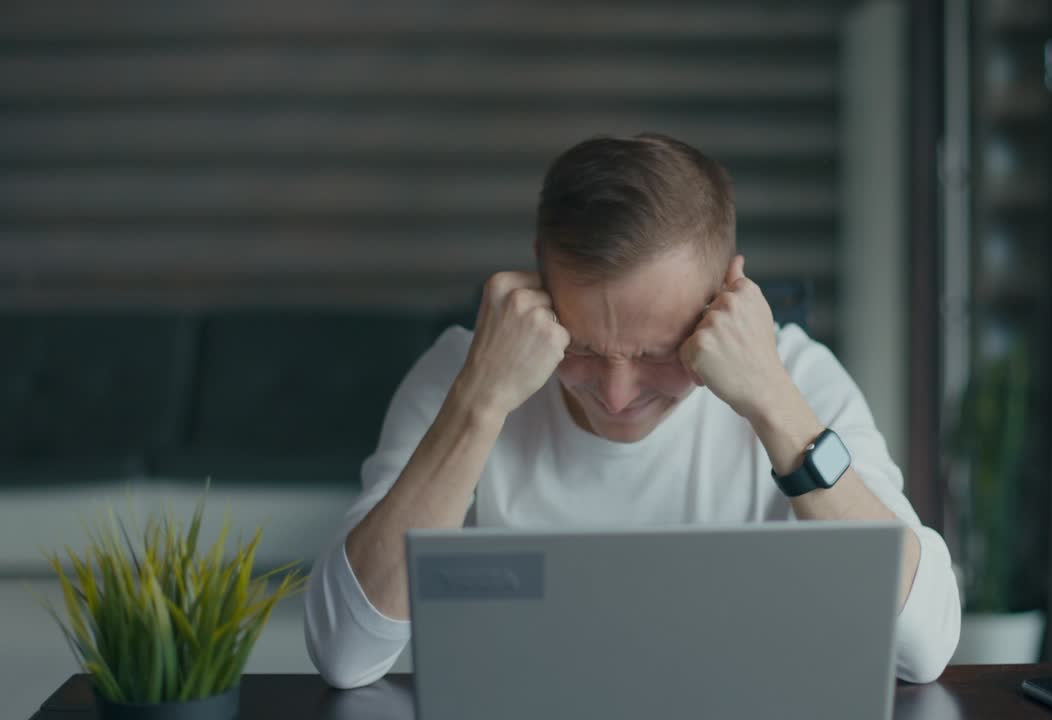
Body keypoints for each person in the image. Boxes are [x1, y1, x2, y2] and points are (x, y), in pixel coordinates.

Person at [304, 133, 961, 688]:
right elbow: (345, 654)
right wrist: (480, 402)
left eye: (659, 354)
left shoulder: (797, 379)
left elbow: (925, 646)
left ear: (725, 295)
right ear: (539, 276)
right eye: (583, 347)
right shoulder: (461, 376)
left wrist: (777, 406)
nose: (617, 396)